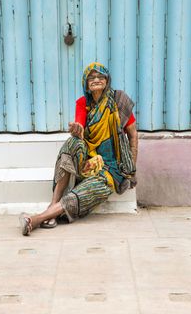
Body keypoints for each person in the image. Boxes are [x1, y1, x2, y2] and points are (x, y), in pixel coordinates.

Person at [19, 62, 138, 236]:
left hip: (111, 168)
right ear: (86, 84)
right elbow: (79, 125)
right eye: (92, 77)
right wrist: (78, 129)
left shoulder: (119, 101)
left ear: (107, 80)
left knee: (85, 192)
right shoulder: (83, 103)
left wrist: (131, 169)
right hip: (88, 161)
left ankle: (36, 219)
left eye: (100, 77)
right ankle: (53, 204)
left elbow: (133, 135)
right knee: (72, 142)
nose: (96, 80)